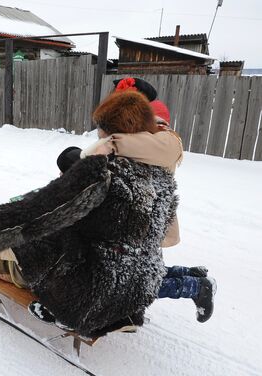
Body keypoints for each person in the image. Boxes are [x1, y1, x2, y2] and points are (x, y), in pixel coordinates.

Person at [0, 90, 179, 338]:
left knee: (19, 250)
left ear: (112, 131)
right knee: (47, 242)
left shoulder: (104, 171)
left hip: (92, 291)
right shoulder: (162, 176)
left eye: (100, 128)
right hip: (140, 286)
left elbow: (44, 209)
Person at [109, 77, 216, 322]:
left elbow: (117, 146)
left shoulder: (160, 136)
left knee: (135, 283)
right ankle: (193, 276)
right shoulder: (136, 131)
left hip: (145, 220)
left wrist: (102, 146)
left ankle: (196, 287)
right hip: (130, 218)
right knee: (140, 271)